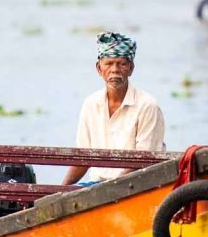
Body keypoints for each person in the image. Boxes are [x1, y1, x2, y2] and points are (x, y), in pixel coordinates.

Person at [63, 31, 166, 184]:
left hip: (137, 187)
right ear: (99, 69)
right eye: (109, 64)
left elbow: (143, 161)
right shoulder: (91, 104)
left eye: (122, 64)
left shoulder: (147, 106)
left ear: (131, 68)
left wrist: (110, 189)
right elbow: (82, 157)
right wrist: (59, 191)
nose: (115, 69)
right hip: (96, 188)